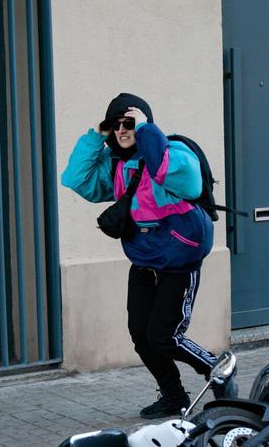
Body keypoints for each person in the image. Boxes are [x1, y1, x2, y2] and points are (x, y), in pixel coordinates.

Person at [61, 93, 235, 418]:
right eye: (116, 125)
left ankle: (218, 368)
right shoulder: (115, 164)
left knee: (164, 336)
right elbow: (75, 179)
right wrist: (97, 134)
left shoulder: (173, 152)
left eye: (130, 123)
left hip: (178, 260)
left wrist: (146, 132)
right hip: (144, 262)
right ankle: (174, 396)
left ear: (144, 125)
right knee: (142, 336)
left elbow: (185, 178)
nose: (123, 130)